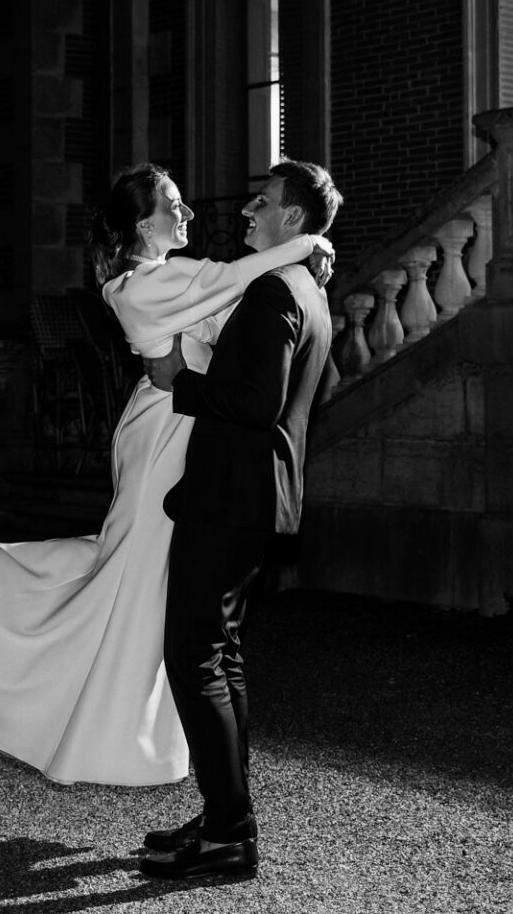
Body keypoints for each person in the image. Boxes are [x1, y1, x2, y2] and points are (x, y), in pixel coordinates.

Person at [0, 163, 333, 786]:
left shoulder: (174, 277)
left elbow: (239, 305)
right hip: (165, 434)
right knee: (133, 579)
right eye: (173, 206)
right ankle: (4, 652)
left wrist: (301, 257)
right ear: (140, 224)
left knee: (144, 586)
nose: (187, 215)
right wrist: (309, 244)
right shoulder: (135, 288)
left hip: (184, 427)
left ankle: (152, 750)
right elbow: (235, 279)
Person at [137, 159, 341, 878]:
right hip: (262, 496)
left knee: (194, 655)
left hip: (232, 495)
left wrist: (180, 382)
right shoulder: (309, 292)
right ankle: (225, 817)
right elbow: (317, 386)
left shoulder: (269, 291)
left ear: (293, 219)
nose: (248, 211)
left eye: (263, 202)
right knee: (222, 654)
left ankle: (229, 831)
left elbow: (256, 403)